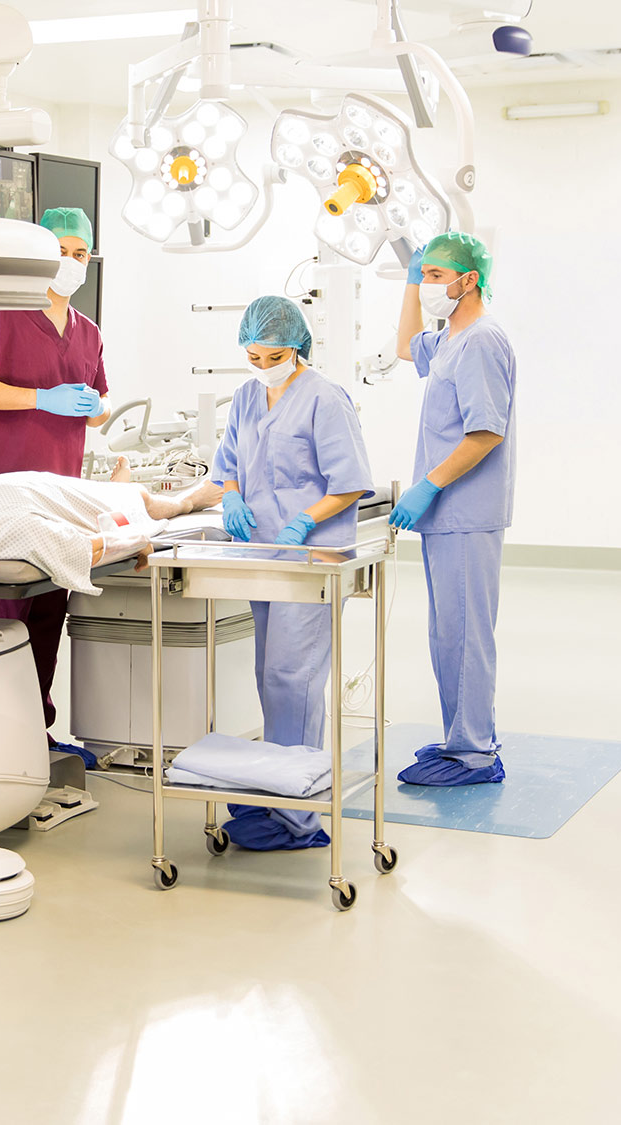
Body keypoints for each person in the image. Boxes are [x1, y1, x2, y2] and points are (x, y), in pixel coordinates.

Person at [210, 296, 374, 850]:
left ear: (297, 347)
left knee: (294, 679)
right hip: (259, 551)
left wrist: (305, 520)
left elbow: (350, 481)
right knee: (267, 675)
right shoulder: (246, 398)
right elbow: (226, 465)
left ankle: (297, 814)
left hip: (312, 556)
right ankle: (273, 791)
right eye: (252, 357)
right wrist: (231, 497)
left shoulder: (326, 399)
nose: (262, 366)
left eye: (273, 355)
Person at [0, 206, 112, 755]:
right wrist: (40, 399)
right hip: (2, 494)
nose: (70, 262)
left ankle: (35, 733)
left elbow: (99, 404)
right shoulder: (2, 314)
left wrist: (93, 409)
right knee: (4, 620)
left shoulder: (88, 333)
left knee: (47, 616)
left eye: (79, 253)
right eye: (60, 251)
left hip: (60, 493)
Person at [388, 231, 516, 787]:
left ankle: (476, 754)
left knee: (466, 635)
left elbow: (485, 432)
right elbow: (402, 345)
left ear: (470, 280)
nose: (431, 285)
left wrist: (428, 486)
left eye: (439, 276)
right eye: (428, 275)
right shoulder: (448, 339)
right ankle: (460, 738)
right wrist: (411, 281)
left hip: (466, 509)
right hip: (447, 513)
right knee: (448, 633)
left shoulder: (483, 340)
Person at [0, 468, 221, 596]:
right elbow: (90, 549)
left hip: (58, 490)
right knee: (144, 500)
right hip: (86, 511)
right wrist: (141, 543)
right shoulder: (18, 533)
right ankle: (189, 499)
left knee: (115, 492)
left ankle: (113, 488)